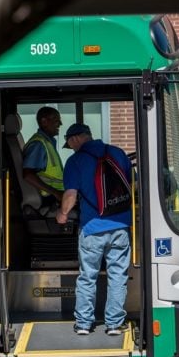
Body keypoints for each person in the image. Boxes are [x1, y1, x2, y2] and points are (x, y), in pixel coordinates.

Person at [56, 123, 132, 336]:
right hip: (121, 227)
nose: (70, 147)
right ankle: (115, 324)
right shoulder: (117, 152)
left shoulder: (75, 161)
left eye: (69, 143)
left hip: (92, 228)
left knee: (88, 275)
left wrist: (62, 215)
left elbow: (70, 195)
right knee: (118, 275)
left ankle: (83, 323)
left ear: (75, 139)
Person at [22, 106, 64, 206]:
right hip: (51, 199)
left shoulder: (47, 142)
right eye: (56, 120)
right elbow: (28, 175)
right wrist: (56, 193)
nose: (60, 124)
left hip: (56, 195)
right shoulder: (39, 144)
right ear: (44, 121)